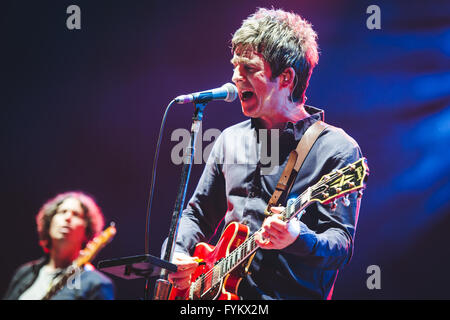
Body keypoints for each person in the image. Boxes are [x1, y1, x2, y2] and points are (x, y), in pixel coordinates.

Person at [165, 8, 364, 300]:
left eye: (249, 68)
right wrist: (177, 252)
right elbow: (197, 214)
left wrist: (297, 238)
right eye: (235, 66)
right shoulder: (230, 139)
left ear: (286, 78)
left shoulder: (337, 149)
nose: (235, 77)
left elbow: (340, 246)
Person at [3, 191, 115, 300]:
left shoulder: (96, 283)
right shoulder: (25, 273)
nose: (67, 217)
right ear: (49, 222)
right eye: (62, 212)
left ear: (87, 228)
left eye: (76, 214)